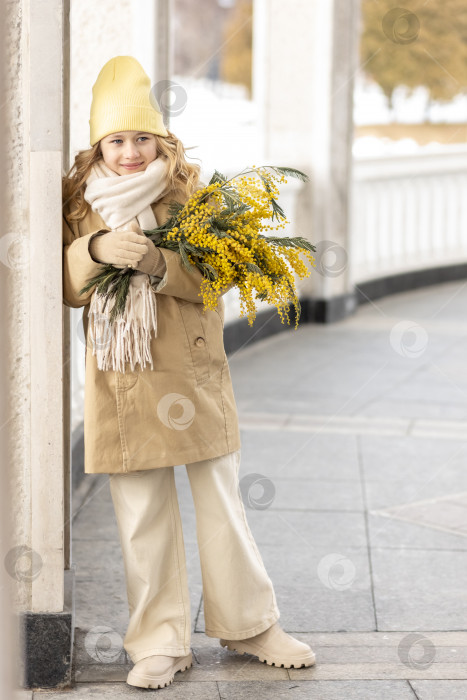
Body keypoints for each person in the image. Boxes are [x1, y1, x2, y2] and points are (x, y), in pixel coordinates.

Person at [62, 55, 316, 691]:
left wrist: (157, 263)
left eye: (141, 138)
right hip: (124, 376)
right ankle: (158, 642)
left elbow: (220, 277)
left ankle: (251, 623)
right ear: (98, 144)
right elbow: (61, 285)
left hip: (192, 370)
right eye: (115, 140)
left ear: (161, 141)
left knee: (221, 500)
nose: (128, 152)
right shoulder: (79, 204)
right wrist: (92, 249)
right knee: (141, 509)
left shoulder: (190, 196)